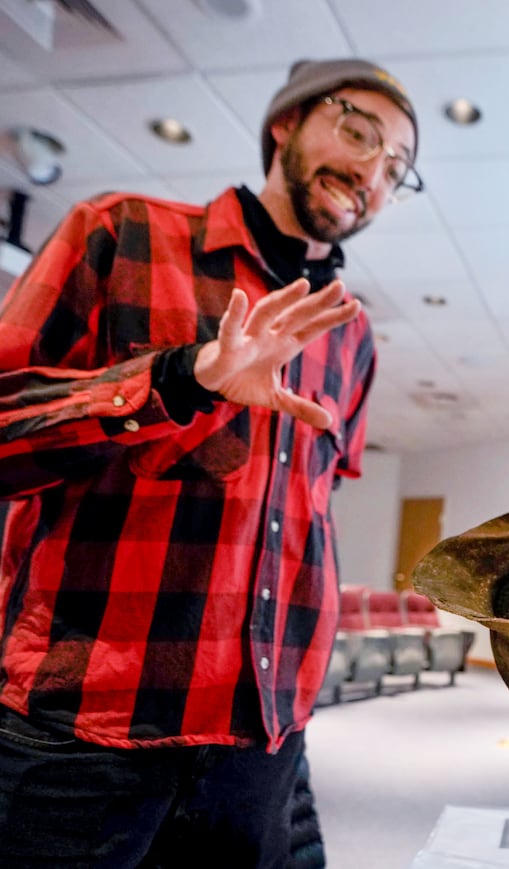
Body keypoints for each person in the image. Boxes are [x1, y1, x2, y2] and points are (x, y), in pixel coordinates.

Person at [0, 57, 422, 866]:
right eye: (358, 131)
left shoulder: (352, 335)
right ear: (286, 125)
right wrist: (178, 378)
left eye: (396, 166)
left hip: (265, 742)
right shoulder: (120, 232)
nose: (372, 170)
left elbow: (305, 515)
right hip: (84, 736)